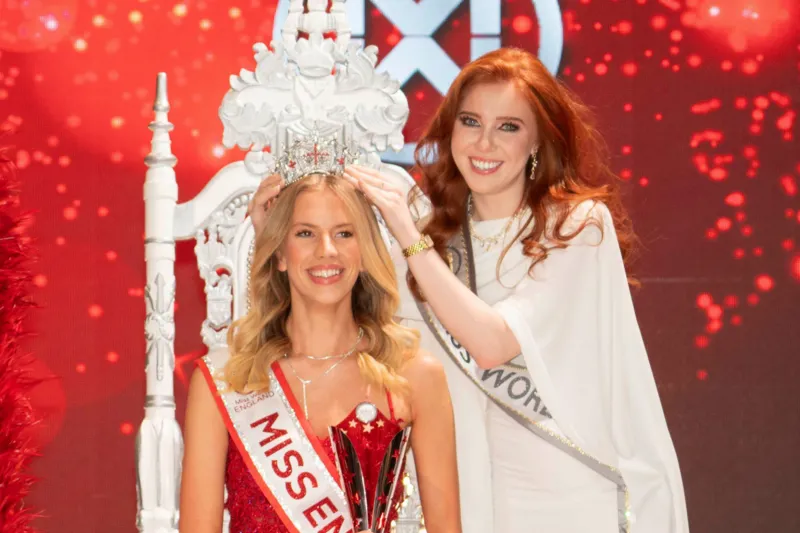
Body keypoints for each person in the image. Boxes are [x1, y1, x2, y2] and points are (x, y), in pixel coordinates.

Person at [253, 48, 690, 532]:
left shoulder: (576, 228)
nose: (484, 143)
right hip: (465, 494)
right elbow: (336, 326)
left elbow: (492, 344)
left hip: (565, 493)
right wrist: (274, 242)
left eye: (508, 127)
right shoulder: (429, 235)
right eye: (470, 122)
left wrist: (407, 234)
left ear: (538, 141)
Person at [180, 170, 461, 533]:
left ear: (365, 253)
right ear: (280, 254)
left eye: (344, 233)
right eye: (305, 233)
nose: (326, 249)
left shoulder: (415, 374)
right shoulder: (226, 380)